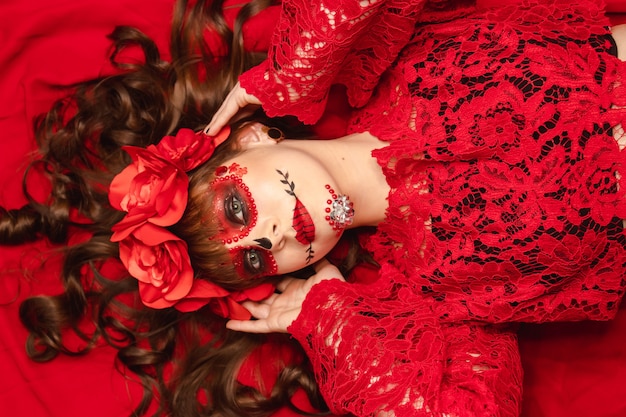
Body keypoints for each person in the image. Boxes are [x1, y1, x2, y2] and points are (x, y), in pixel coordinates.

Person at [3, 0, 626, 417]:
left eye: (240, 209)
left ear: (245, 139)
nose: (270, 238)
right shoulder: (428, 298)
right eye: (255, 260)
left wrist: (292, 73)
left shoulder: (385, 56)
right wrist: (330, 322)